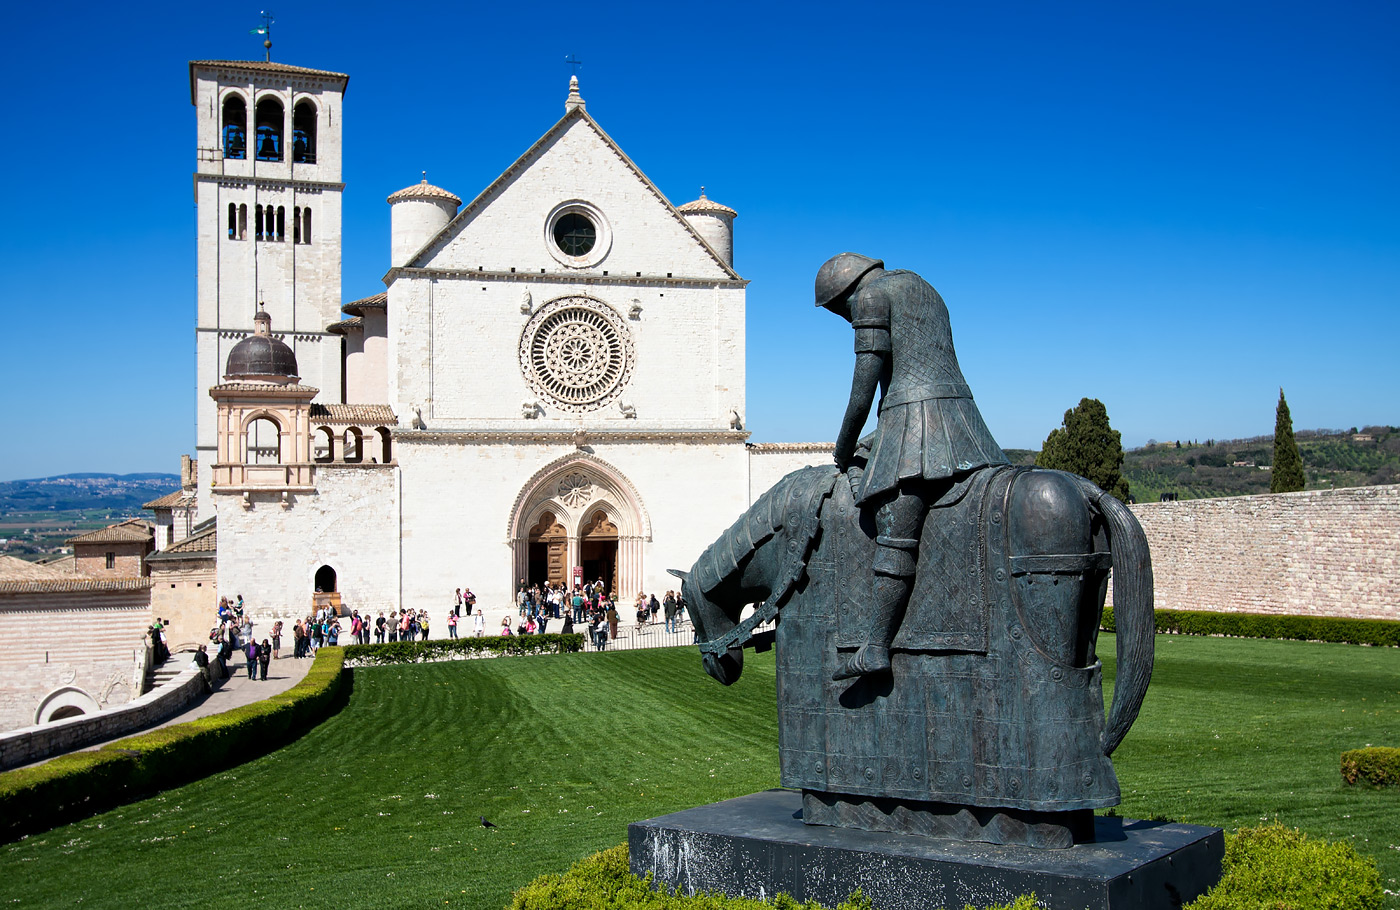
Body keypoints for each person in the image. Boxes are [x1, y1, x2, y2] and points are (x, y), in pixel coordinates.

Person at [815, 253, 1007, 680]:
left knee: (895, 530)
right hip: (962, 418)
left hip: (915, 424)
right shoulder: (924, 287)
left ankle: (876, 646)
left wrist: (843, 448)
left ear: (846, 294)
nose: (846, 319)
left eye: (839, 312)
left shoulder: (870, 298)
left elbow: (864, 390)